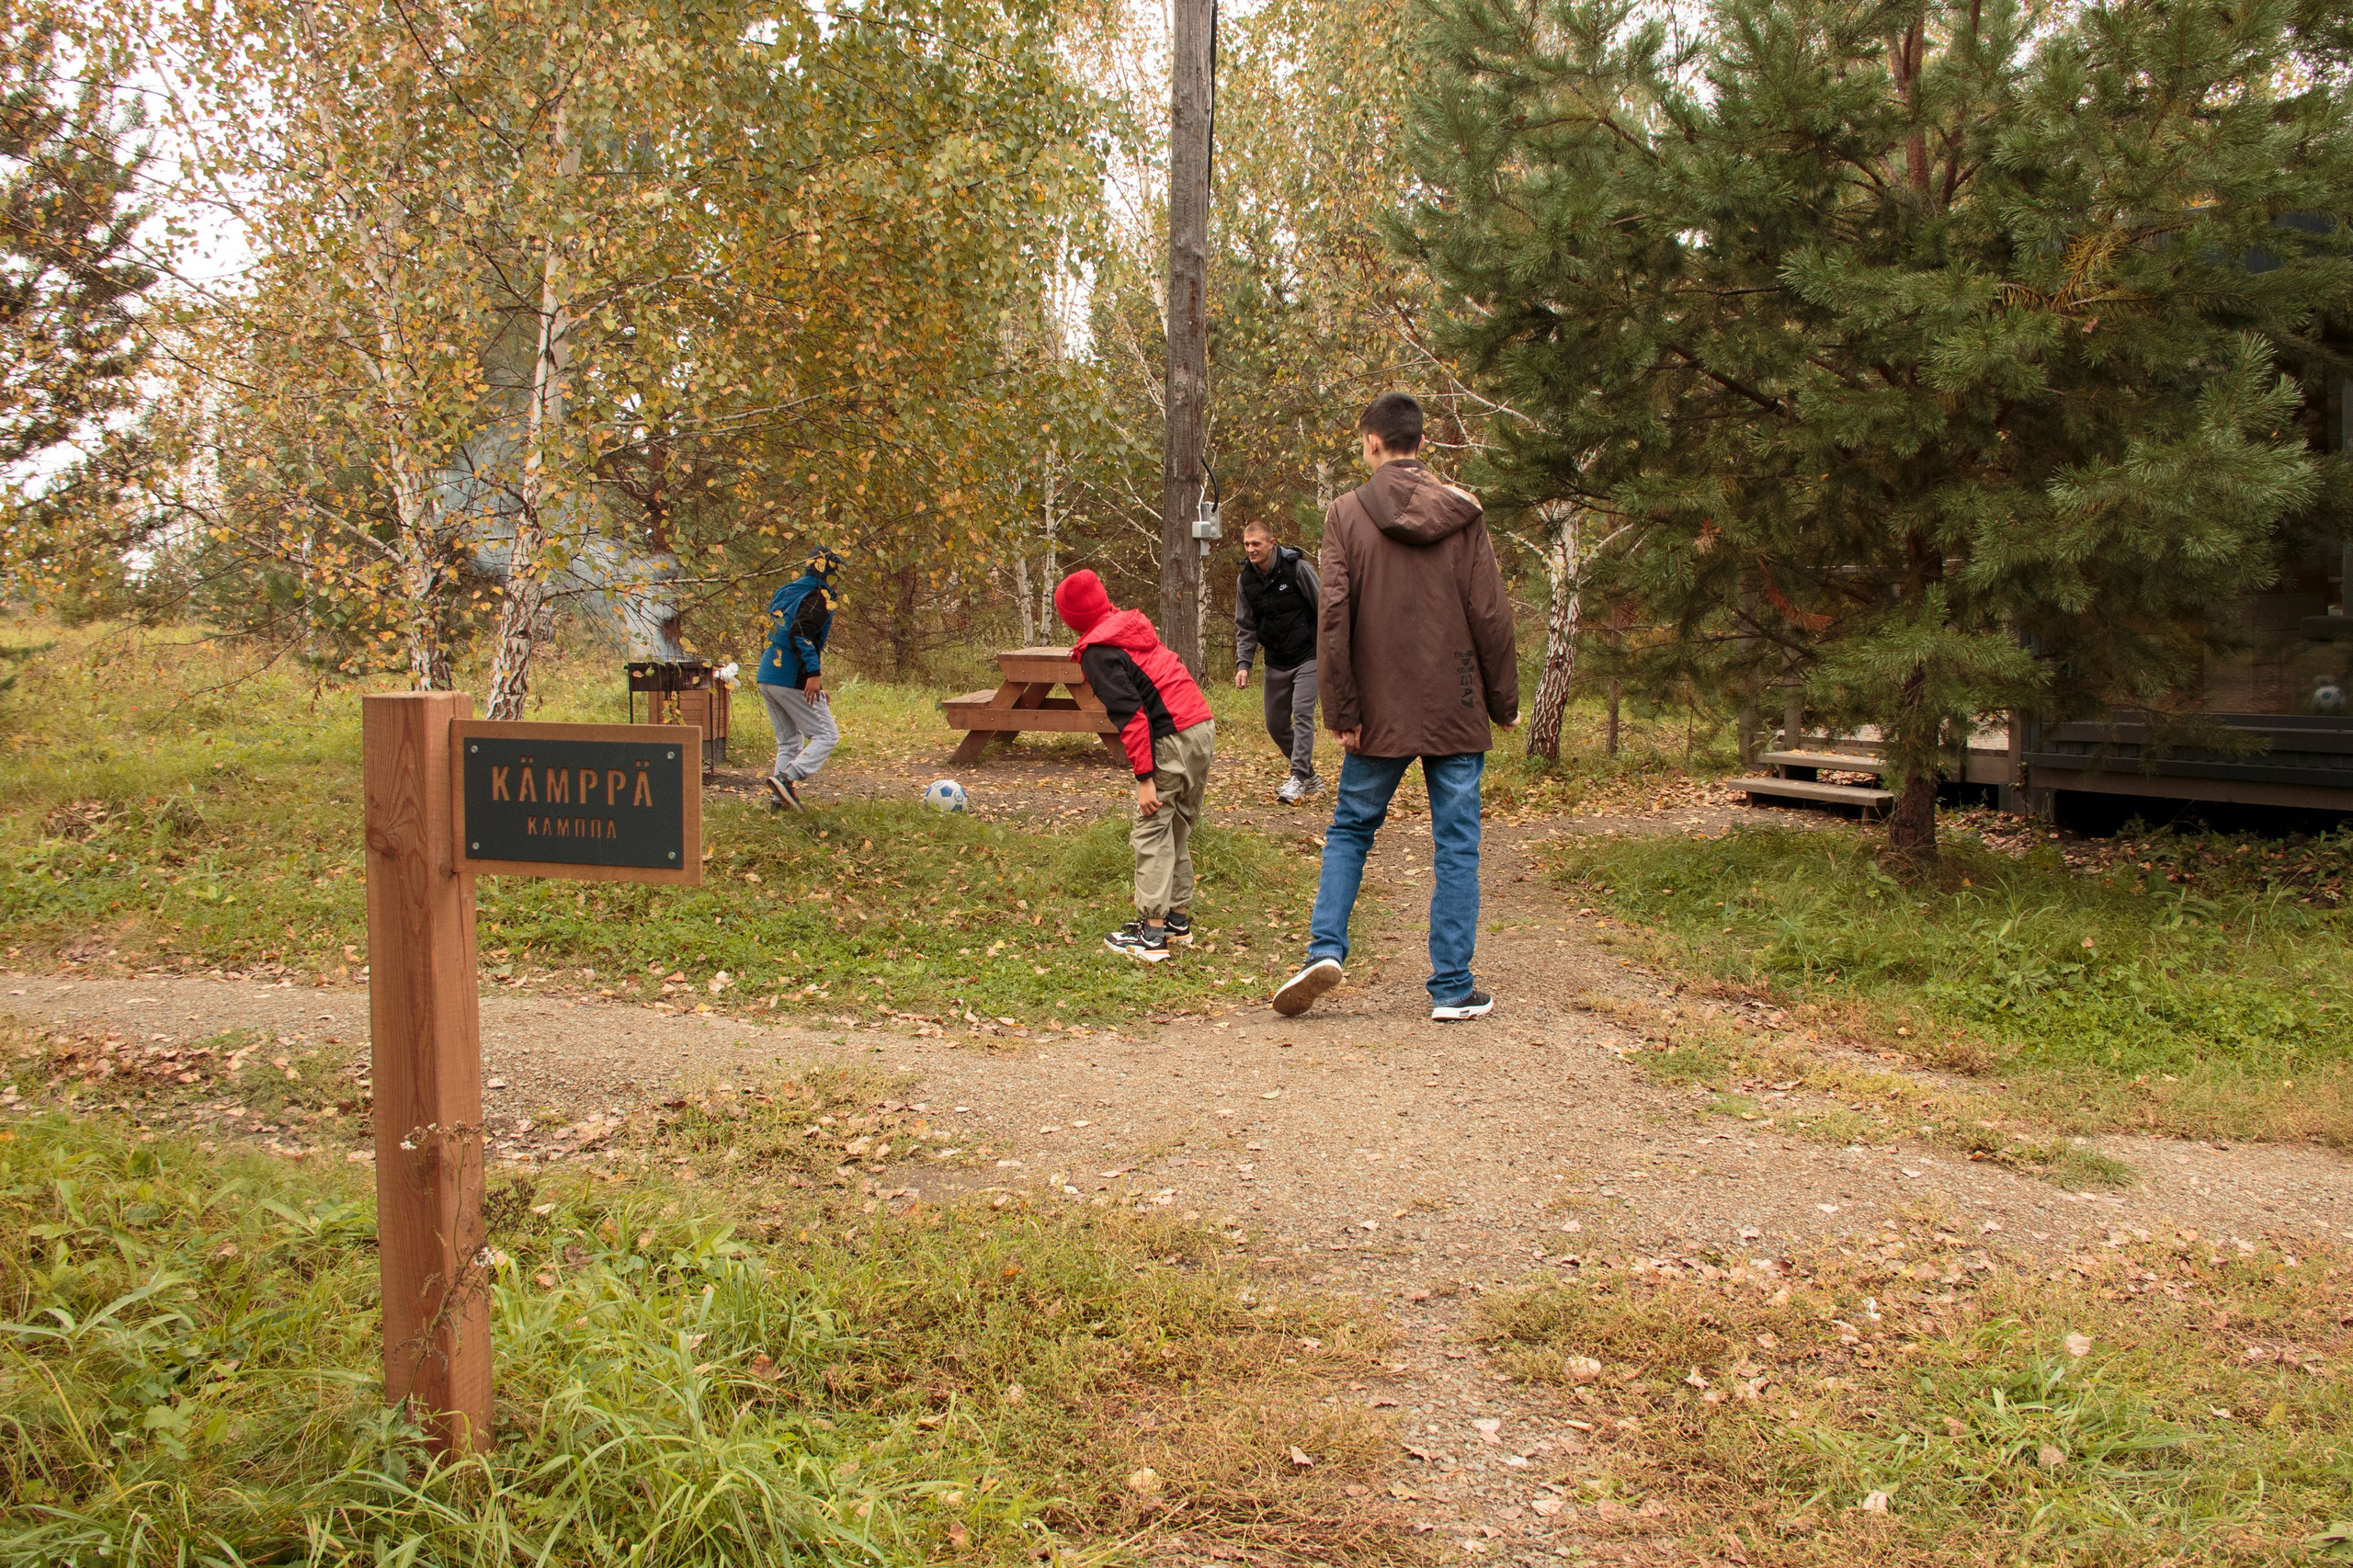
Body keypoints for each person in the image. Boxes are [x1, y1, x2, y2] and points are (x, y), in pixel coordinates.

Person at [1272, 392, 1518, 1021]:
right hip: (1456, 703)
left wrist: (1342, 710)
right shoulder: (1464, 513)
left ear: (1372, 442)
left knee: (1351, 830)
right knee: (1457, 844)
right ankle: (1452, 988)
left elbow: (1333, 617)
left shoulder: (1345, 513)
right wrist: (1503, 701)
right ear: (1421, 443)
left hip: (1377, 709)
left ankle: (1325, 949)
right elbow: (1490, 613)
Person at [1054, 568, 1216, 961]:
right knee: (1175, 827)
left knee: (1152, 831)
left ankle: (1152, 935)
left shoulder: (1098, 652)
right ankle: (1177, 920)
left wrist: (1145, 778)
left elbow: (1133, 717)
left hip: (1172, 736)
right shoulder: (1127, 626)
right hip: (1201, 726)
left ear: (1070, 619)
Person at [1233, 518, 1324, 803]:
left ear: (1272, 543)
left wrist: (1335, 649)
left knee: (1303, 714)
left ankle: (1298, 778)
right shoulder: (1246, 580)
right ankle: (1310, 776)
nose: (1250, 549)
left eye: (1256, 544)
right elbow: (1245, 626)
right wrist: (1243, 664)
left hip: (1309, 654)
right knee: (1275, 724)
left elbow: (1325, 607)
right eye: (1247, 544)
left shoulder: (1297, 568)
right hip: (1275, 660)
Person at [756, 547, 845, 811]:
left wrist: (815, 681)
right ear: (831, 574)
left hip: (768, 674)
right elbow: (801, 634)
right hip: (789, 675)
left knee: (789, 742)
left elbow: (786, 633)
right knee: (827, 735)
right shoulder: (820, 596)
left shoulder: (789, 591)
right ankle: (787, 778)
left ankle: (779, 802)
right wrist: (813, 675)